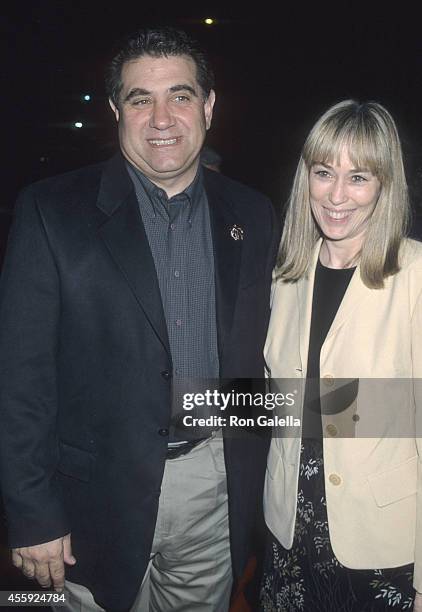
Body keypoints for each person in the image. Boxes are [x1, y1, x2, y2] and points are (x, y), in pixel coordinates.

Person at [0, 27, 279, 612]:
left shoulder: (253, 214)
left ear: (208, 106)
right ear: (114, 111)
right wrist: (31, 511)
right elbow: (19, 379)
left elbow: (257, 358)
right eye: (139, 99)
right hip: (88, 501)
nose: (161, 118)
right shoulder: (49, 212)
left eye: (179, 96)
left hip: (215, 484)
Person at [261, 100, 422, 611]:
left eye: (359, 178)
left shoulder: (414, 275)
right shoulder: (287, 276)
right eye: (324, 172)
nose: (335, 196)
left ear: (384, 186)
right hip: (288, 528)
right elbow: (286, 404)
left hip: (381, 543)